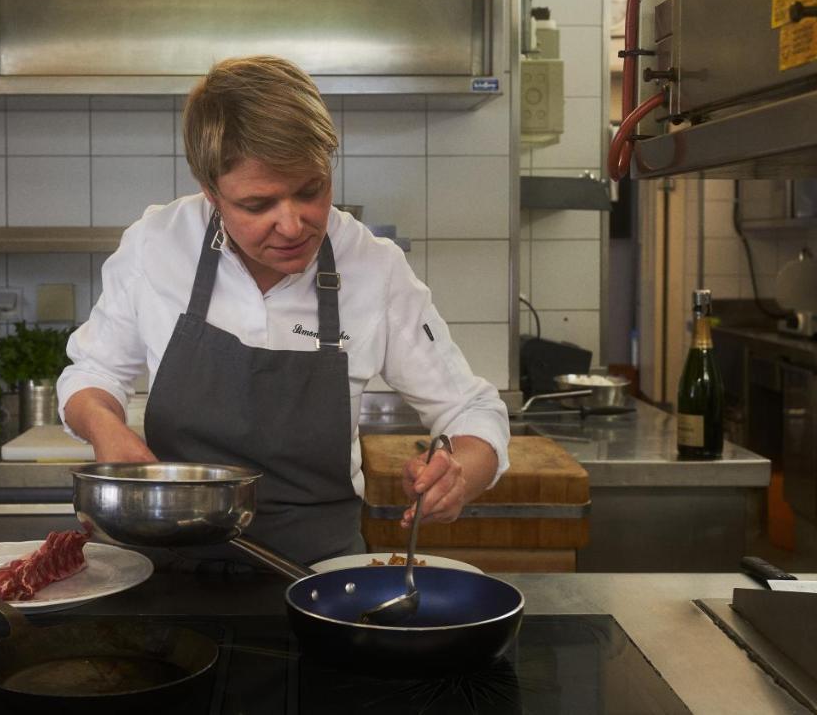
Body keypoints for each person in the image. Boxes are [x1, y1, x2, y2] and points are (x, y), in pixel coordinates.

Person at [58, 55, 510, 565]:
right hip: (167, 564)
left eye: (310, 191)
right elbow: (91, 374)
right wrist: (108, 432)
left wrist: (459, 472)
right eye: (258, 205)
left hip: (317, 578)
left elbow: (472, 410)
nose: (293, 225)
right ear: (212, 194)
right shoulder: (156, 246)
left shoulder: (374, 268)